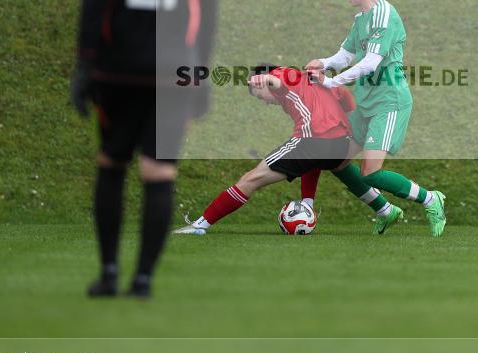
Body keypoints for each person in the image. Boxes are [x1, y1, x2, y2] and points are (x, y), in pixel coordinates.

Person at [71, 0, 219, 298]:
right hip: (175, 68)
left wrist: (84, 66)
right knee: (160, 172)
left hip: (119, 69)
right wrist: (202, 73)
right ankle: (144, 279)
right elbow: (208, 11)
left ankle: (110, 271)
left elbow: (96, 3)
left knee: (112, 164)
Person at [306, 0, 447, 237]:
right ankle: (386, 211)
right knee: (336, 160)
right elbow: (346, 55)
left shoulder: (384, 13)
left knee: (371, 172)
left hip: (389, 102)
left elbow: (370, 63)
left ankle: (432, 199)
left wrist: (331, 82)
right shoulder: (362, 18)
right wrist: (322, 62)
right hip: (366, 103)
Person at [173, 65, 403, 234]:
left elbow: (276, 81)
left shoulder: (284, 76)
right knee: (325, 165)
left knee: (251, 179)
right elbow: (346, 99)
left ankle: (200, 225)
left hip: (313, 140)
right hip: (340, 142)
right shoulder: (315, 83)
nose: (263, 101)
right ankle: (382, 209)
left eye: (259, 95)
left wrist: (263, 79)